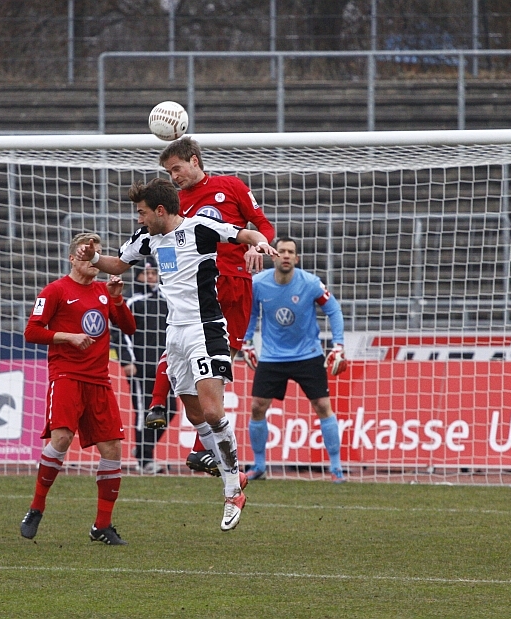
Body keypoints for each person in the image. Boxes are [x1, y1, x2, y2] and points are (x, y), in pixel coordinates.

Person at [81, 178, 278, 531]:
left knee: (214, 411)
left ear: (160, 210)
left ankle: (233, 489)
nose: (138, 219)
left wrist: (261, 242)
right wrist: (93, 257)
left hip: (206, 328)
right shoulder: (147, 239)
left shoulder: (199, 228)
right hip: (176, 335)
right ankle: (226, 470)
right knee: (192, 409)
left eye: (141, 212)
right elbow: (117, 264)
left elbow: (242, 234)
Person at [144, 136, 278, 478]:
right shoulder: (172, 205)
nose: (174, 176)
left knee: (220, 360)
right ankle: (159, 405)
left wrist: (259, 247)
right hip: (199, 288)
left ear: (194, 161)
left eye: (176, 168)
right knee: (180, 338)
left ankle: (201, 446)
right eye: (168, 172)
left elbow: (262, 226)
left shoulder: (230, 186)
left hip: (236, 284)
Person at [20, 232, 136, 545]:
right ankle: (37, 507)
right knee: (61, 438)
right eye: (89, 254)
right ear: (73, 258)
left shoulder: (103, 290)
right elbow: (31, 331)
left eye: (98, 254)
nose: (95, 260)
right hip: (67, 376)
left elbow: (129, 328)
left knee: (113, 448)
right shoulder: (55, 290)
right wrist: (67, 337)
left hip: (99, 380)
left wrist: (116, 299)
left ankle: (102, 525)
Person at [242, 237, 348, 482]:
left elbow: (333, 309)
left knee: (323, 407)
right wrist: (246, 341)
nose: (286, 255)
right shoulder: (259, 283)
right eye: (282, 251)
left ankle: (336, 468)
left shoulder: (310, 283)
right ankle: (259, 466)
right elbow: (251, 312)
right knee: (257, 407)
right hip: (272, 356)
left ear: (297, 258)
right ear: (274, 255)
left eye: (291, 252)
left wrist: (338, 345)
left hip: (307, 355)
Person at [114, 255, 177, 474]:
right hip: (140, 365)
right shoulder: (131, 300)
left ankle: (144, 449)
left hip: (165, 365)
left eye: (153, 273)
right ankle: (144, 458)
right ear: (138, 275)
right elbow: (120, 331)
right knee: (143, 411)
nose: (150, 277)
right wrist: (127, 360)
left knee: (170, 409)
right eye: (146, 273)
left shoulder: (165, 298)